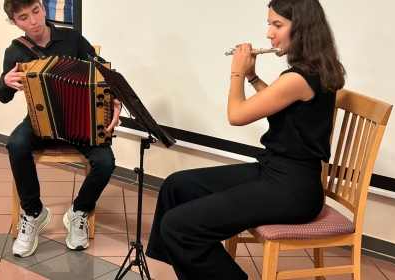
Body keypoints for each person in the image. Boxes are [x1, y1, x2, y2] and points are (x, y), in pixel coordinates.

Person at [145, 0, 346, 279]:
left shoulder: (299, 77)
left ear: (302, 28)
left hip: (293, 189)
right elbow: (277, 103)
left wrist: (237, 73)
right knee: (176, 187)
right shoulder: (309, 72)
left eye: (277, 25)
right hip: (275, 171)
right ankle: (189, 268)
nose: (269, 34)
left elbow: (237, 115)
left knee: (178, 227)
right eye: (269, 24)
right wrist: (252, 77)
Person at [0, 0, 122, 257]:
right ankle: (33, 212)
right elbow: (3, 96)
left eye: (34, 11)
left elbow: (104, 73)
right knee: (16, 143)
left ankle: (79, 211)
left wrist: (114, 101)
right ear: (14, 22)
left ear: (43, 8)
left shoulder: (72, 38)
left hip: (81, 120)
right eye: (23, 17)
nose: (32, 21)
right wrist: (5, 82)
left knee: (106, 161)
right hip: (41, 121)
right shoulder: (15, 52)